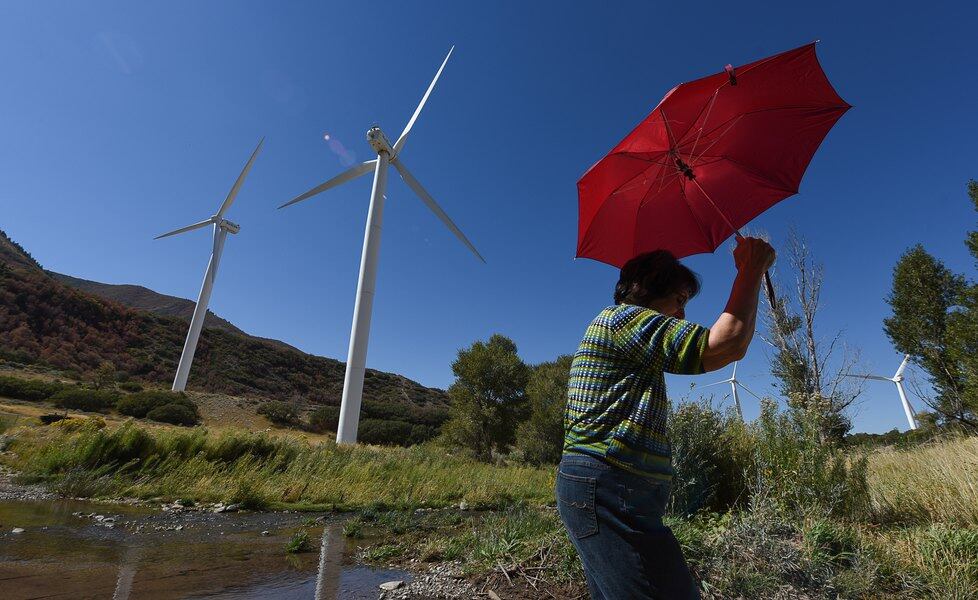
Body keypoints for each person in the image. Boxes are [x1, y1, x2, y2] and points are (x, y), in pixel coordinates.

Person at [557, 236, 776, 599]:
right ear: (647, 290)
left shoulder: (625, 334)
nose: (682, 313)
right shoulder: (622, 320)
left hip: (607, 486)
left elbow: (733, 344)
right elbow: (725, 344)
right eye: (679, 300)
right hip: (608, 484)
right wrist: (750, 271)